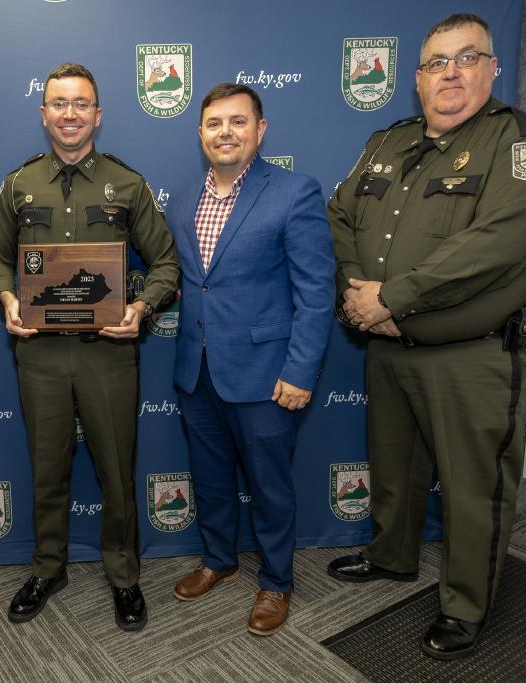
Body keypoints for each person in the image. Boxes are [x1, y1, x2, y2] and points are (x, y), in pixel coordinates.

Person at [327, 13, 526, 659]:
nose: (451, 72)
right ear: (417, 79)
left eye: (467, 58)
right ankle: (392, 555)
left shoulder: (519, 140)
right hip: (388, 345)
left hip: (475, 354)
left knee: (472, 489)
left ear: (493, 68)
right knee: (396, 469)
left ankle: (465, 605)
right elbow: (342, 211)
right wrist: (361, 293)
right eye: (437, 62)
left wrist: (395, 296)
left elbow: (498, 242)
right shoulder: (387, 141)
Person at [0, 63, 179, 631]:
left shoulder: (128, 184)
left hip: (107, 354)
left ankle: (123, 575)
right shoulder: (19, 184)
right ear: (43, 113)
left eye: (81, 104)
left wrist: (141, 309)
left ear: (98, 114)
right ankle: (48, 566)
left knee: (117, 470)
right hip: (39, 354)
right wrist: (6, 298)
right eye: (58, 104)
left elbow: (166, 262)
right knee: (47, 468)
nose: (69, 114)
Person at [167, 83, 335, 636]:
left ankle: (276, 582)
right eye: (215, 123)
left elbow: (316, 292)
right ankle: (218, 558)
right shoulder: (185, 194)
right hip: (198, 369)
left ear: (260, 131)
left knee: (269, 486)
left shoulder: (294, 192)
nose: (226, 133)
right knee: (210, 478)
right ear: (200, 134)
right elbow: (193, 282)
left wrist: (300, 370)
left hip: (267, 375)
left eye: (238, 122)